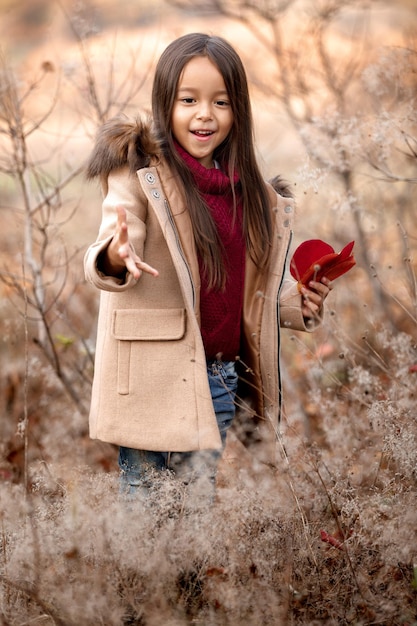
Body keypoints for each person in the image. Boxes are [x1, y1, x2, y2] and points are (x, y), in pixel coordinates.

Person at [84, 33, 332, 498]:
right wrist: (117, 256)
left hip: (214, 377)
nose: (205, 114)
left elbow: (242, 294)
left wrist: (299, 303)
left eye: (221, 101)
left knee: (195, 517)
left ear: (238, 110)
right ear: (165, 105)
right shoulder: (138, 176)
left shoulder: (249, 194)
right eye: (189, 100)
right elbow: (111, 244)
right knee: (144, 511)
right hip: (147, 378)